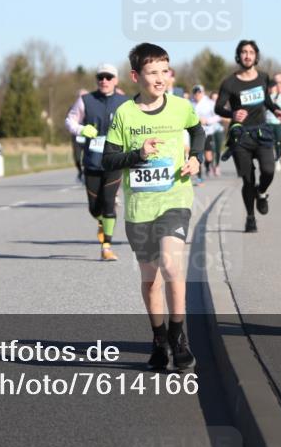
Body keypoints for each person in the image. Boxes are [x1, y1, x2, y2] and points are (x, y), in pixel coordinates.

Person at [101, 43, 204, 371]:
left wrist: (195, 157)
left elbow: (197, 130)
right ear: (135, 76)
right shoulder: (124, 114)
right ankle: (159, 339)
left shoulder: (180, 107)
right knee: (151, 279)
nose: (160, 78)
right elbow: (109, 160)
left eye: (165, 71)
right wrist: (138, 155)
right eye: (152, 72)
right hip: (139, 208)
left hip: (175, 199)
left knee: (172, 266)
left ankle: (179, 336)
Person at [215, 40, 281, 233]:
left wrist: (277, 110)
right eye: (244, 52)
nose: (247, 55)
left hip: (262, 133)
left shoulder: (263, 77)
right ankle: (250, 218)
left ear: (256, 56)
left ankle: (261, 193)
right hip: (241, 137)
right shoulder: (229, 83)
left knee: (269, 170)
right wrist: (232, 114)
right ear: (239, 56)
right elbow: (218, 107)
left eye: (251, 52)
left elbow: (267, 101)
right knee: (248, 180)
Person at [65, 64, 128, 261]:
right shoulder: (86, 100)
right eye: (101, 77)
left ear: (116, 80)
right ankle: (101, 221)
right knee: (94, 208)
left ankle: (106, 247)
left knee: (109, 203)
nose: (104, 80)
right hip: (92, 161)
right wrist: (82, 130)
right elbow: (70, 121)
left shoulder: (125, 102)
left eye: (109, 77)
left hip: (114, 161)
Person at [191, 85, 223, 179]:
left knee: (208, 156)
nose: (197, 95)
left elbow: (218, 116)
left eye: (199, 93)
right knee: (197, 154)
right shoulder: (190, 103)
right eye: (195, 93)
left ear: (203, 92)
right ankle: (199, 176)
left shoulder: (209, 103)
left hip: (207, 132)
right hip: (194, 133)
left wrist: (207, 121)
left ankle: (208, 165)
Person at [267, 79, 281, 170]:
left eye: (273, 87)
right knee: (269, 142)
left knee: (278, 142)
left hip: (278, 122)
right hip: (268, 122)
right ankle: (271, 160)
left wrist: (277, 106)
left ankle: (278, 159)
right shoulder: (266, 97)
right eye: (270, 87)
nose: (271, 89)